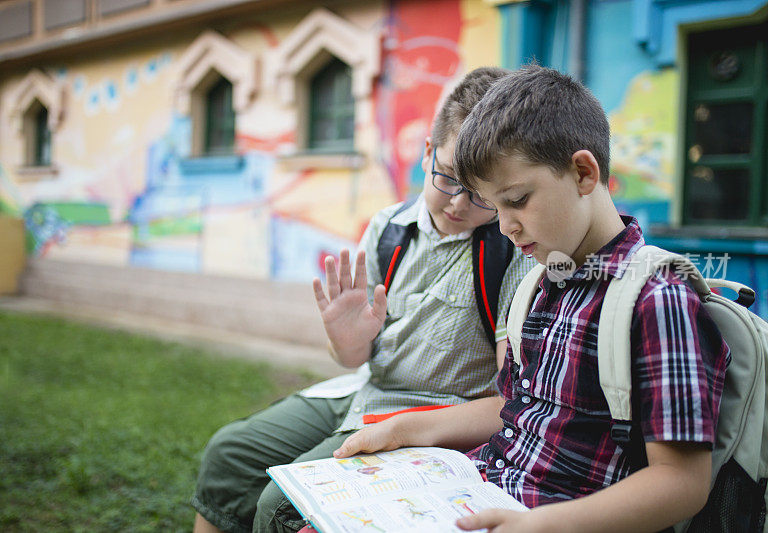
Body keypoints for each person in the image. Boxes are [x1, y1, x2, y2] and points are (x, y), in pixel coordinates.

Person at [333, 65, 730, 533]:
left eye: (517, 200)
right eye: (495, 207)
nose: (505, 227)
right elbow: (512, 412)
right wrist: (402, 429)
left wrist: (546, 525)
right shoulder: (539, 285)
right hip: (477, 492)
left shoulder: (655, 300)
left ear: (584, 172)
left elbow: (681, 482)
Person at [191, 66, 537, 533]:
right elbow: (353, 358)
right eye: (449, 178)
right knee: (229, 452)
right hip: (364, 393)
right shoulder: (388, 227)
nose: (458, 203)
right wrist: (346, 340)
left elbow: (512, 403)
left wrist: (402, 426)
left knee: (283, 503)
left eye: (481, 192)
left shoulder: (509, 250)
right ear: (428, 153)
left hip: (433, 422)